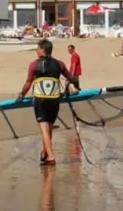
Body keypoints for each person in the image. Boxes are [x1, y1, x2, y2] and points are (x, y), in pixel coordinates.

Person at [17, 38, 80, 167]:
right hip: (54, 100)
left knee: (44, 130)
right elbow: (71, 77)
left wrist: (21, 95)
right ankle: (45, 153)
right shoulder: (60, 64)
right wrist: (75, 84)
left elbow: (28, 83)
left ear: (42, 50)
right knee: (49, 129)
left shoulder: (34, 65)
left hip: (40, 100)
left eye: (37, 48)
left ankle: (51, 157)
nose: (36, 50)